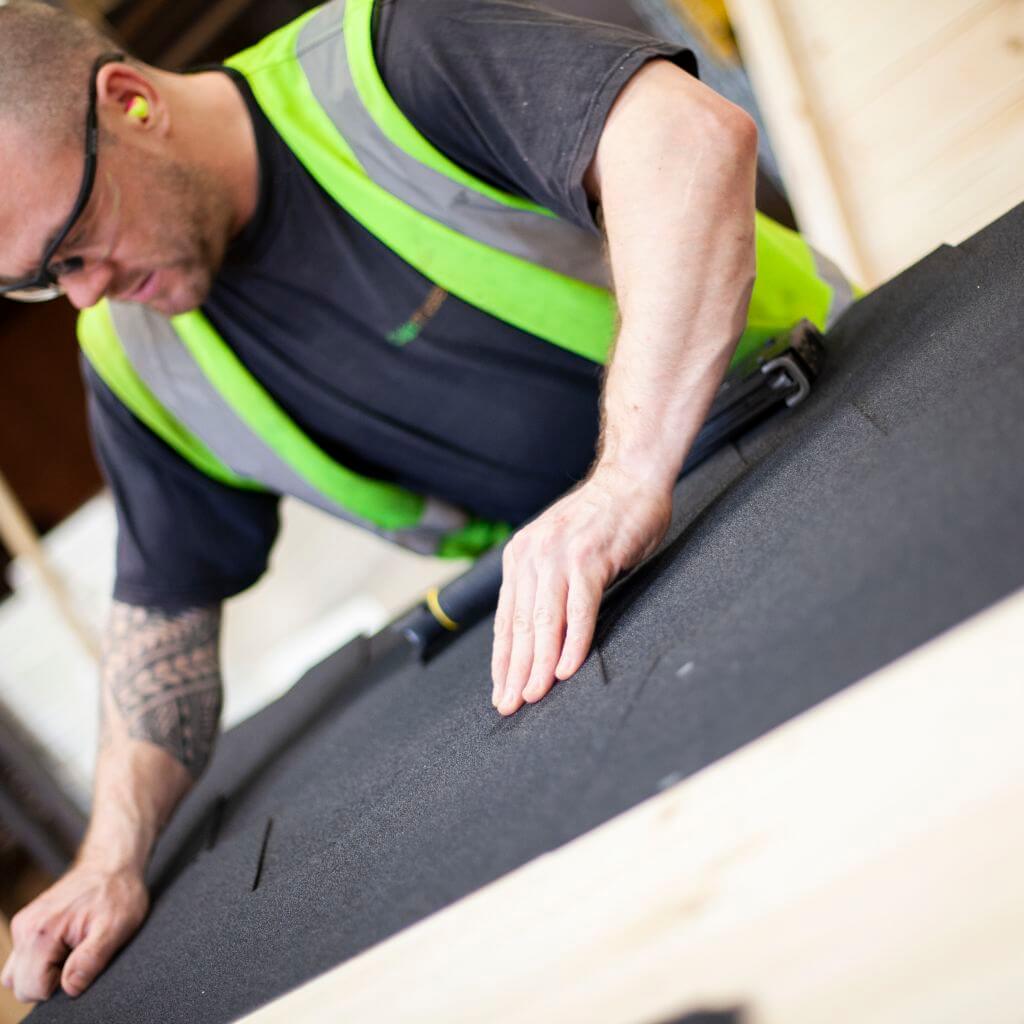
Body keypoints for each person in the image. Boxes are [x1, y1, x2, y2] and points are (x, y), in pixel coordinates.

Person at [0, 0, 853, 1004]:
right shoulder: (135, 357)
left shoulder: (393, 54)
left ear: (134, 103)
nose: (85, 292)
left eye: (75, 239)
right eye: (41, 281)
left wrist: (622, 479)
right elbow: (164, 618)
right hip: (594, 588)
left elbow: (687, 140)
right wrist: (109, 854)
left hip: (822, 416)